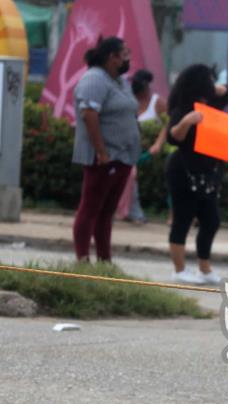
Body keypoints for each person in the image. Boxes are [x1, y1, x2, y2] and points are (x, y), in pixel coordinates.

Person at [71, 36, 140, 262]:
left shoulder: (120, 81)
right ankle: (82, 259)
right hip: (103, 157)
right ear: (112, 57)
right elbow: (89, 114)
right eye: (125, 54)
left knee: (106, 212)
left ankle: (104, 261)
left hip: (123, 156)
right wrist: (101, 151)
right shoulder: (94, 79)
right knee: (90, 208)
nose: (128, 59)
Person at [165, 64, 228, 285]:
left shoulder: (211, 104)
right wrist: (187, 121)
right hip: (183, 173)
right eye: (208, 80)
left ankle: (204, 268)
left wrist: (220, 87)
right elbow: (173, 137)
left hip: (208, 174)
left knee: (211, 220)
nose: (212, 84)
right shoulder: (182, 108)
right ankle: (179, 269)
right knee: (182, 220)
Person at [116, 69, 168, 224]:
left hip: (151, 150)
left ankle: (132, 211)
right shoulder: (129, 101)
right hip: (129, 148)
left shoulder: (158, 102)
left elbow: (168, 124)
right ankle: (129, 211)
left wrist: (157, 144)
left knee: (129, 174)